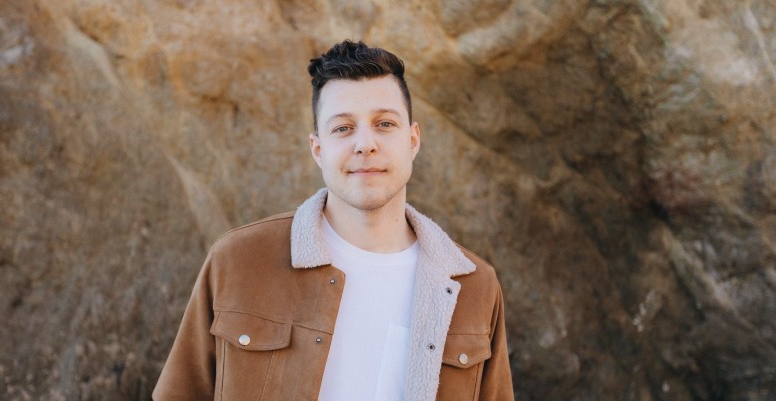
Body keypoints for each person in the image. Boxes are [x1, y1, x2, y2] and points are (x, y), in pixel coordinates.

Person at [153, 40, 514, 401]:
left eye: (385, 123)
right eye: (343, 128)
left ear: (413, 140)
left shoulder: (475, 287)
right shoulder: (238, 260)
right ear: (318, 149)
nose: (365, 144)